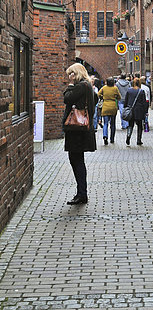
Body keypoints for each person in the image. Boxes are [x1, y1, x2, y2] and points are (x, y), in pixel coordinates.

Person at [63, 63, 96, 205]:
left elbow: (67, 98)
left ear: (77, 73)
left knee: (76, 161)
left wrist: (70, 84)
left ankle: (82, 194)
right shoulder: (87, 86)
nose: (70, 77)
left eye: (71, 74)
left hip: (77, 130)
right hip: (80, 130)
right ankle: (81, 192)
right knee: (77, 160)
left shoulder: (81, 86)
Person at [124, 77, 146, 146]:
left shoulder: (129, 90)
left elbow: (126, 101)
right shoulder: (141, 91)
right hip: (139, 111)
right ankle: (138, 140)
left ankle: (128, 137)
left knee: (130, 125)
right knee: (139, 126)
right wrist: (145, 111)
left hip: (131, 110)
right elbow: (144, 103)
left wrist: (126, 108)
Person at [98, 77, 121, 145]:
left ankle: (105, 136)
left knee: (105, 123)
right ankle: (112, 139)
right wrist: (115, 97)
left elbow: (98, 94)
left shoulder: (104, 88)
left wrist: (102, 97)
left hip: (105, 106)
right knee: (113, 124)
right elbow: (119, 97)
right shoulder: (115, 88)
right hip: (113, 106)